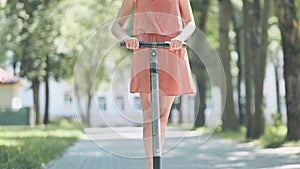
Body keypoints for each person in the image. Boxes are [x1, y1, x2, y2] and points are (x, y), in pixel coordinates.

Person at [111, 0, 196, 168]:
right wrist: (127, 38)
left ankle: (157, 162)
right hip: (145, 48)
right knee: (150, 116)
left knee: (163, 116)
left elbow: (190, 23)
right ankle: (151, 166)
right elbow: (116, 26)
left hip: (172, 47)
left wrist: (180, 38)